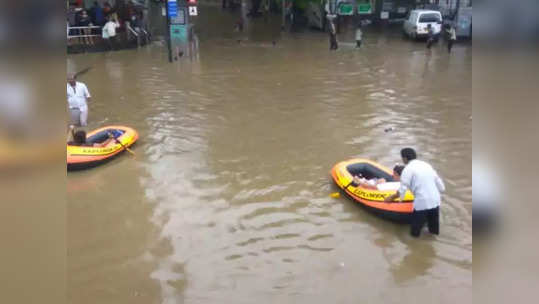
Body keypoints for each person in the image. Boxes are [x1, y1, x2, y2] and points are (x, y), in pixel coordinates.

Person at [384, 148, 445, 238]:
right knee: (433, 230)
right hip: (435, 200)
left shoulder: (407, 169)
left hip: (422, 203)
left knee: (415, 232)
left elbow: (403, 189)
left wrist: (391, 198)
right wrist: (442, 189)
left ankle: (415, 247)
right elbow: (438, 181)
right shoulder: (426, 165)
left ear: (404, 158)